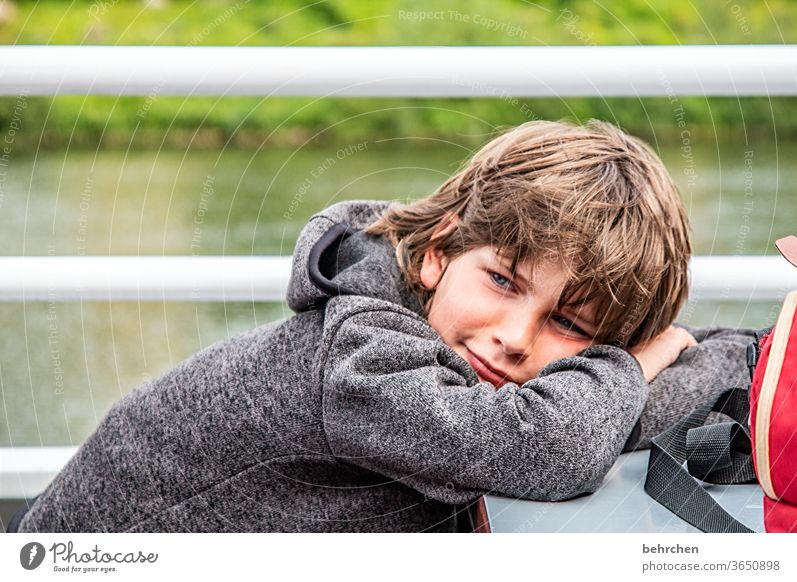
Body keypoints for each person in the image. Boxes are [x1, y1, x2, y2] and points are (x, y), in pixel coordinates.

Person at [12, 119, 755, 533]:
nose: (516, 336)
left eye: (567, 322)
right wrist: (631, 364)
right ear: (437, 254)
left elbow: (595, 416)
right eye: (501, 281)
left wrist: (747, 357)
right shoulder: (356, 361)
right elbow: (552, 444)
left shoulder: (483, 379)